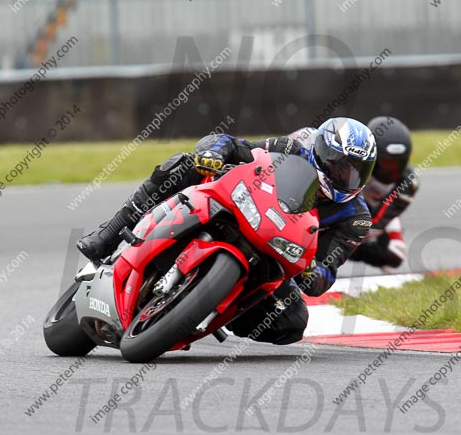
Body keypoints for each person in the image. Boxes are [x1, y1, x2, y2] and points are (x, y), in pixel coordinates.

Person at [77, 117, 377, 345]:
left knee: (292, 322)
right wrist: (214, 152)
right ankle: (109, 236)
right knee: (183, 165)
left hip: (275, 254)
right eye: (339, 165)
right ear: (322, 152)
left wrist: (311, 269)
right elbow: (236, 146)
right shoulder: (291, 149)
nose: (344, 175)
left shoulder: (355, 218)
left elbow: (325, 274)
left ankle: (206, 310)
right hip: (240, 208)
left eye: (354, 171)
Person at [290, 117, 419, 270]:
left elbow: (377, 222)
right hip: (341, 199)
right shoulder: (351, 164)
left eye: (398, 164)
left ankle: (333, 253)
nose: (391, 171)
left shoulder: (408, 184)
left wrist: (349, 234)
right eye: (385, 163)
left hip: (371, 212)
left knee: (395, 253)